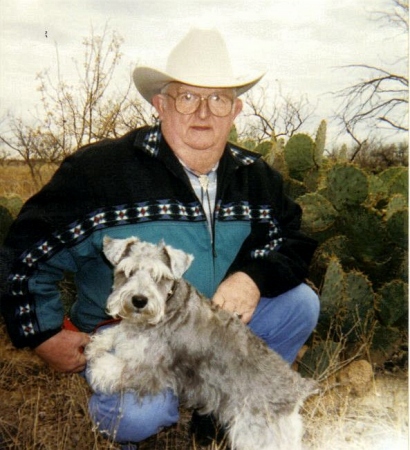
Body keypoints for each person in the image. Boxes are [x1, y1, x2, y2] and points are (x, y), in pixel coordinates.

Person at [1, 28, 320, 448]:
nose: (203, 113)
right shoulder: (101, 171)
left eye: (218, 99)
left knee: (300, 304)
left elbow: (292, 239)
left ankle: (224, 407)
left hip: (208, 333)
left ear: (236, 110)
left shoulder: (256, 176)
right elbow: (23, 256)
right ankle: (129, 423)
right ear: (160, 104)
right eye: (187, 97)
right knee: (138, 416)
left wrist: (252, 277)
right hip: (129, 333)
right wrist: (43, 335)